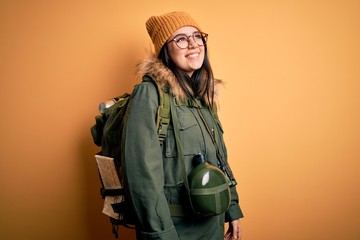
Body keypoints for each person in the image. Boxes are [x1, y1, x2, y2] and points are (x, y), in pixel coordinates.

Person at [122, 11, 244, 240]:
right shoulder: (148, 94)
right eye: (180, 39)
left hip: (213, 225)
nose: (193, 44)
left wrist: (231, 207)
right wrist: (160, 235)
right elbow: (141, 176)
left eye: (197, 36)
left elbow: (220, 158)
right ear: (165, 50)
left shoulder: (204, 98)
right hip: (175, 231)